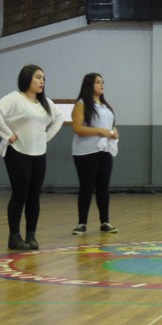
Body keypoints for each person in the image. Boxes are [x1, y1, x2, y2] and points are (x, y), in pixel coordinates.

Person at [0, 64, 64, 251]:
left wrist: (45, 137)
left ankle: (31, 235)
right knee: (20, 194)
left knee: (34, 196)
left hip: (39, 154)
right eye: (38, 77)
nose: (42, 81)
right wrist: (8, 135)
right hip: (17, 153)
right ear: (27, 78)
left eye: (43, 78)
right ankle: (14, 237)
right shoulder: (15, 98)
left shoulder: (45, 103)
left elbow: (59, 118)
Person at [71, 73, 119, 235]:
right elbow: (77, 128)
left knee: (103, 187)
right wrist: (99, 131)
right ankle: (82, 223)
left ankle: (105, 221)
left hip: (105, 150)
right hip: (86, 152)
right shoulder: (81, 104)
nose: (102, 85)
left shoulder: (105, 106)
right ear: (89, 85)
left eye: (102, 82)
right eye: (98, 82)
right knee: (87, 187)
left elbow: (110, 125)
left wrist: (114, 132)